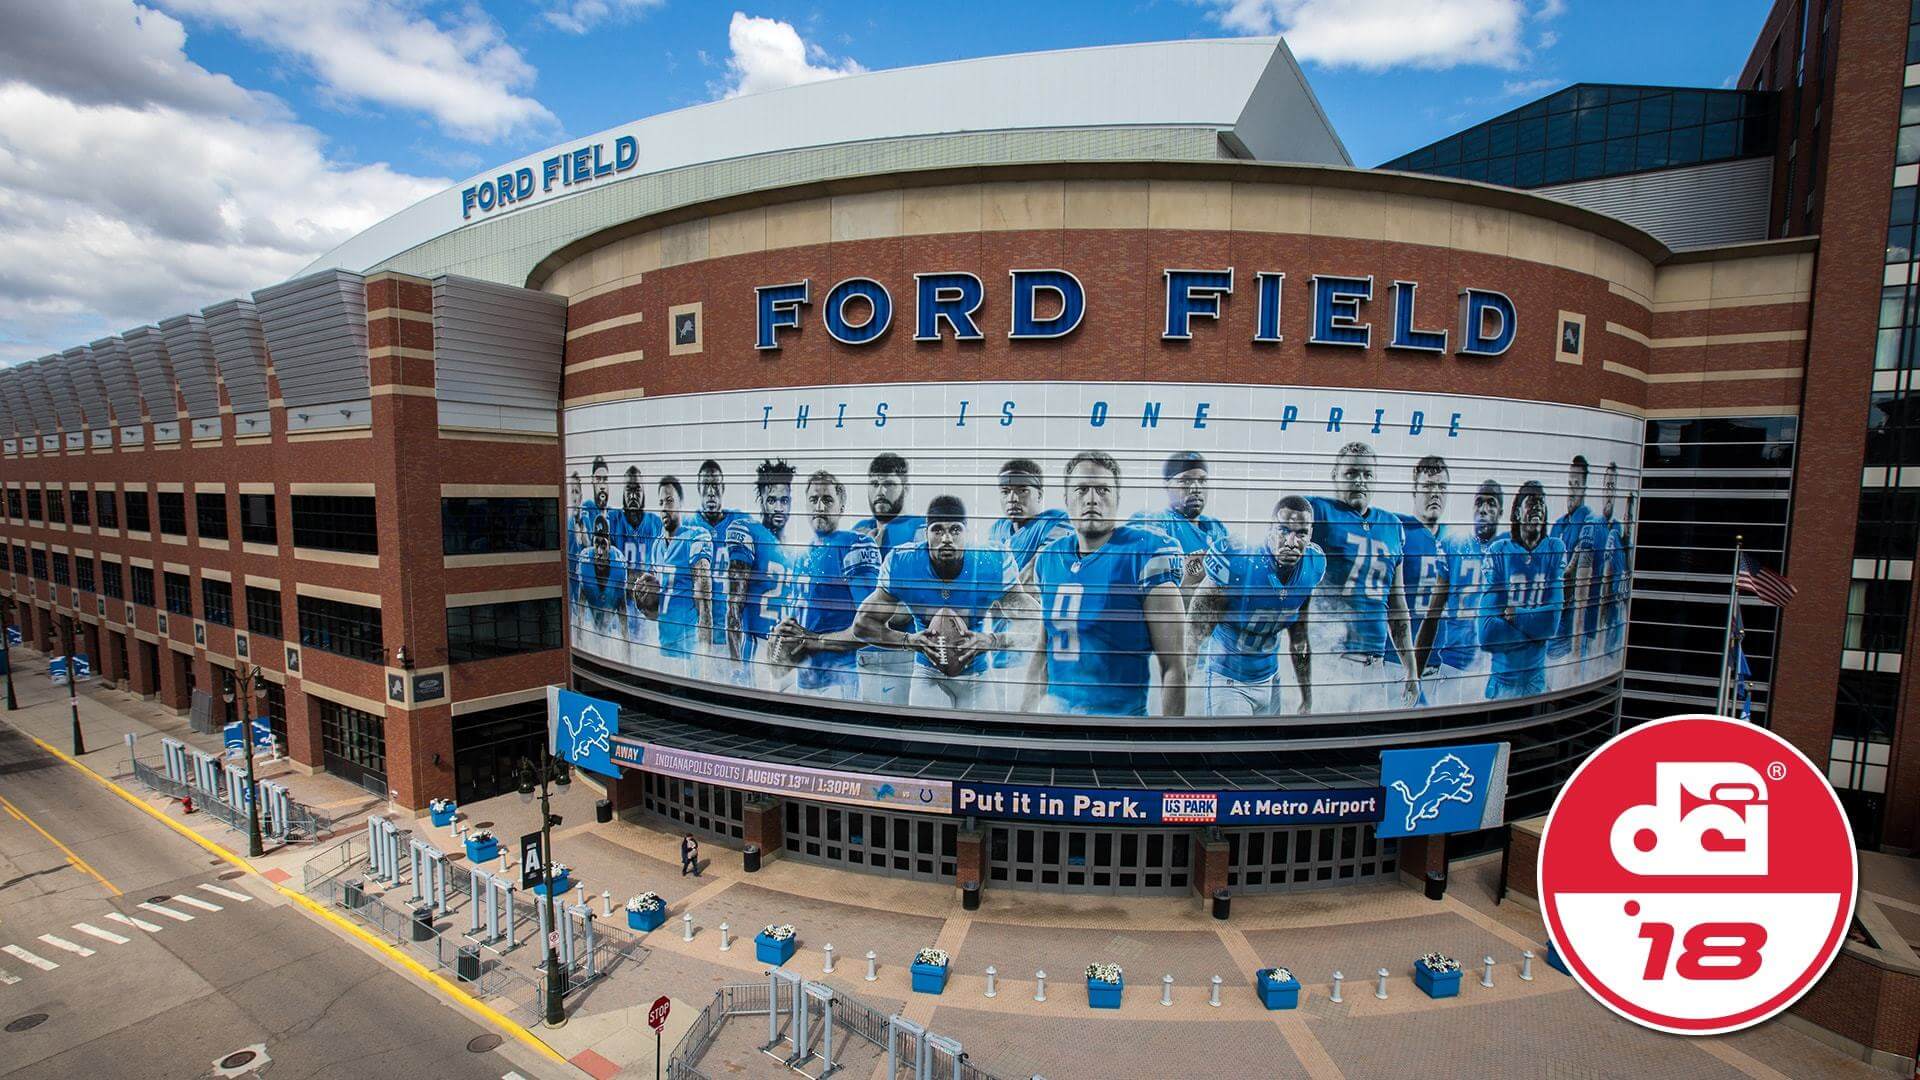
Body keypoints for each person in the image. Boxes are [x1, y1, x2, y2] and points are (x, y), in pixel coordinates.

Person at [1025, 450, 1186, 717]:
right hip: (1057, 717)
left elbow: (1173, 667)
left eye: (1103, 490)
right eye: (1081, 489)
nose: (1091, 499)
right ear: (1066, 498)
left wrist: (1167, 742)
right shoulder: (1049, 558)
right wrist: (1024, 721)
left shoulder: (1144, 553)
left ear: (1117, 498)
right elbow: (1042, 652)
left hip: (1119, 726)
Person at [853, 495, 1036, 710]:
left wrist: (993, 640)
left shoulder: (991, 562)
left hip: (977, 675)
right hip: (928, 673)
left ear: (966, 533)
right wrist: (908, 640)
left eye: (955, 530)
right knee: (927, 739)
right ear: (926, 533)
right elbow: (862, 626)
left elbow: (1036, 624)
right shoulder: (903, 563)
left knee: (981, 741)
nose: (946, 538)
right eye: (938, 530)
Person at [1186, 496, 1325, 715]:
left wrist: (1307, 698)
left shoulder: (1313, 565)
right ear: (1269, 529)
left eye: (1301, 533)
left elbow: (1300, 639)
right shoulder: (1239, 560)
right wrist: (1182, 684)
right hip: (1228, 681)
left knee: (1267, 748)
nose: (1291, 542)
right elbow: (1194, 629)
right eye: (1283, 530)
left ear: (1310, 535)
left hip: (1270, 681)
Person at [1307, 442, 1418, 712]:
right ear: (1335, 475)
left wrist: (1411, 670)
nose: (1360, 481)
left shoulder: (1391, 525)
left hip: (1375, 663)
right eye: (1351, 473)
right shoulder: (1318, 512)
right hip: (1333, 661)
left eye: (1367, 474)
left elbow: (1397, 606)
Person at [775, 470, 873, 700]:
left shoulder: (854, 545)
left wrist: (817, 641)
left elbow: (870, 626)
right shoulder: (801, 555)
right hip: (804, 678)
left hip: (840, 679)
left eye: (827, 499)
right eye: (813, 499)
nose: (819, 506)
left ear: (841, 507)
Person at [1480, 480, 1568, 700]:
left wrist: (1516, 615)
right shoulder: (1499, 551)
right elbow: (1488, 633)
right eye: (1531, 501)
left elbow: (1551, 623)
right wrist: (1534, 631)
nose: (1537, 506)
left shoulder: (1554, 549)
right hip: (1502, 682)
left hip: (1535, 680)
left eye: (1541, 502)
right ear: (1518, 513)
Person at [851, 453, 927, 705]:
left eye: (889, 484)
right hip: (861, 653)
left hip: (901, 654)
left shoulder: (921, 530)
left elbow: (911, 608)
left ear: (905, 486)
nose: (880, 491)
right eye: (874, 484)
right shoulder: (858, 531)